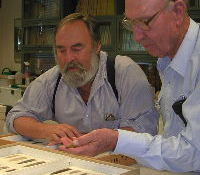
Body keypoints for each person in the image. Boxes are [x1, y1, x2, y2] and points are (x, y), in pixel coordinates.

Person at [59, 0, 200, 173]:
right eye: (131, 24)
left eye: (144, 22)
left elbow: (194, 153)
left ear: (177, 12)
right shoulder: (166, 60)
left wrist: (116, 140)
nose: (136, 36)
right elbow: (175, 143)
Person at [6, 13, 157, 144]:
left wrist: (105, 140)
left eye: (77, 49)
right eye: (61, 50)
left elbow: (145, 129)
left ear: (97, 46)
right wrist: (46, 130)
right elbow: (15, 117)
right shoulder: (53, 79)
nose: (69, 58)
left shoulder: (124, 72)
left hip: (123, 167)